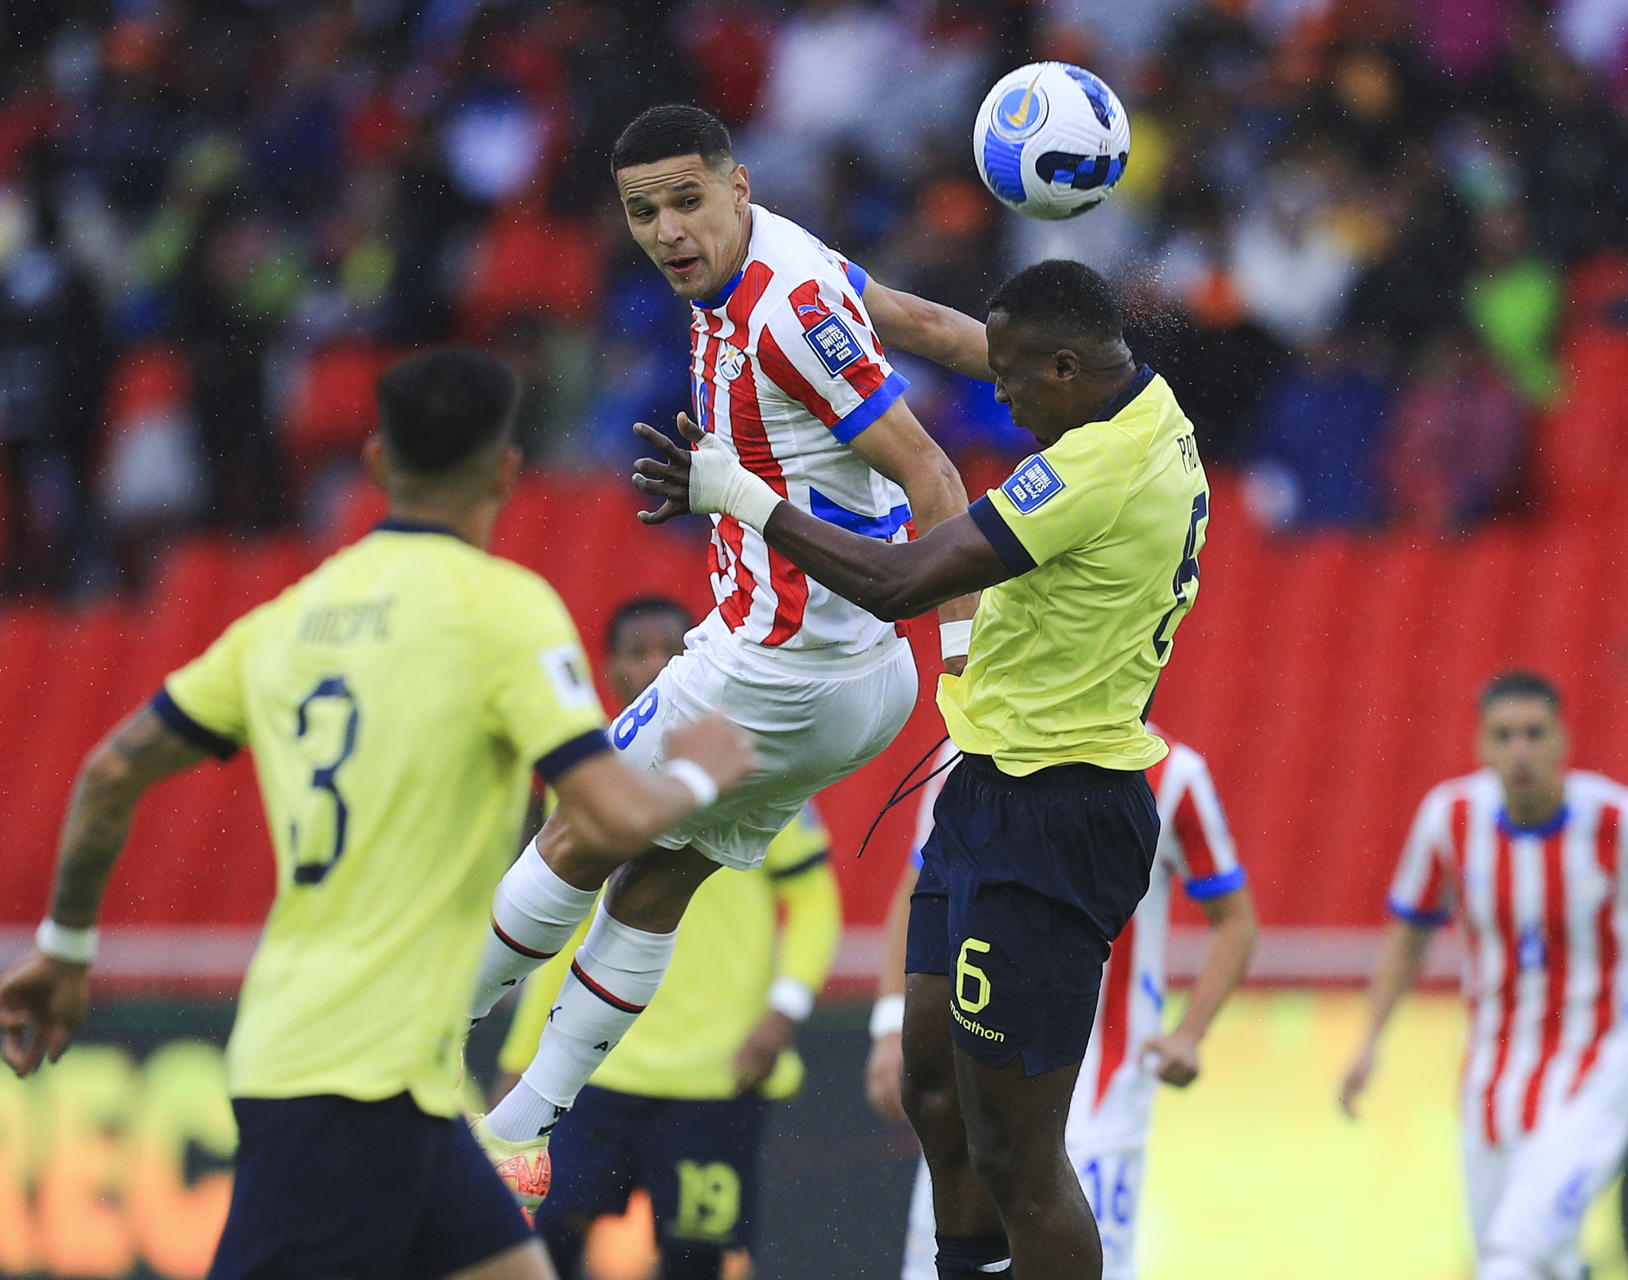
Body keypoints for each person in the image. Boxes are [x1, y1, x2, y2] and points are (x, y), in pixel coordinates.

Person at [0, 349, 754, 1280]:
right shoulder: (504, 614)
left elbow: (109, 772)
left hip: (370, 1061)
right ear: (506, 473)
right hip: (348, 1075)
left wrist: (64, 953)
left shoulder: (289, 618)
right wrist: (702, 777)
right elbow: (614, 822)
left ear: (378, 463)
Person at [635, 258, 1212, 1280]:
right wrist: (808, 266)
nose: (1001, 396)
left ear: (1069, 367)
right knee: (934, 1086)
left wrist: (741, 497)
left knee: (1021, 1154)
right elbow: (949, 333)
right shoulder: (1132, 404)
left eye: (1015, 380)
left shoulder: (1098, 469)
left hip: (1056, 811)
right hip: (992, 785)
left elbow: (900, 581)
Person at [469, 103, 990, 1170]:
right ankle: (520, 1131)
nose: (666, 230)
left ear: (738, 186)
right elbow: (922, 325)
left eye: (687, 201)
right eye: (642, 211)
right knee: (659, 880)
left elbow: (934, 474)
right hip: (849, 683)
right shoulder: (790, 257)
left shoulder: (785, 309)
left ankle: (409, 1043)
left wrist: (966, 672)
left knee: (584, 825)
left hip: (779, 664)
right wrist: (1068, 385)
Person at [1338, 671, 1628, 1280]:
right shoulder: (1448, 820)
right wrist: (1369, 1041)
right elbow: (1409, 934)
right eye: (1504, 736)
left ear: (1563, 742)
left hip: (1592, 1080)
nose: (1519, 750)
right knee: (1539, 1262)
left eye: (1534, 733)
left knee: (1510, 1260)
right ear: (1481, 746)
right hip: (1490, 1081)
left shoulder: (1620, 824)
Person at [493, 596, 842, 1280]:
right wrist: (520, 1059)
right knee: (549, 1244)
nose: (654, 662)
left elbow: (813, 900)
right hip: (592, 1070)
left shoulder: (750, 763)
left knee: (695, 1261)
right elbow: (563, 938)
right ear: (611, 671)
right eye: (637, 650)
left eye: (668, 648)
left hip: (716, 1072)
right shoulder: (589, 784)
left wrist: (784, 1010)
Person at [867, 726, 1257, 1280]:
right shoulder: (964, 747)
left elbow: (1236, 921)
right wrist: (890, 1026)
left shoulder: (1174, 775)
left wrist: (1189, 1033)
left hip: (1104, 1097)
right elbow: (920, 887)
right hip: (978, 1082)